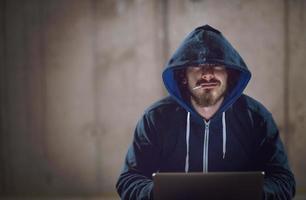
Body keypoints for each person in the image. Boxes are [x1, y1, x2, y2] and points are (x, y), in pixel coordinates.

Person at [115, 25, 295, 200]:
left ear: (229, 74)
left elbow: (283, 180)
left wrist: (252, 194)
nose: (207, 74)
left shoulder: (256, 118)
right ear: (183, 77)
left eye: (216, 65)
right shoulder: (155, 119)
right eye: (197, 65)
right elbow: (129, 178)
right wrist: (161, 194)